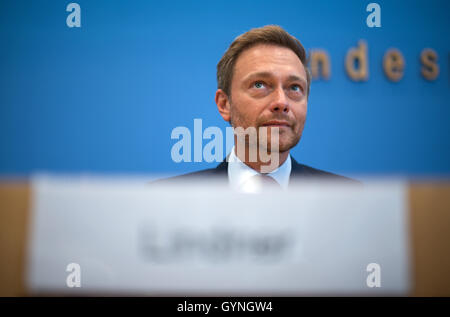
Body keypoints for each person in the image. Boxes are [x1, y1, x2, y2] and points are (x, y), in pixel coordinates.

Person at [158, 25, 355, 192]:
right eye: (260, 85)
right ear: (224, 104)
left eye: (294, 88)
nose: (281, 102)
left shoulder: (349, 198)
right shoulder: (169, 199)